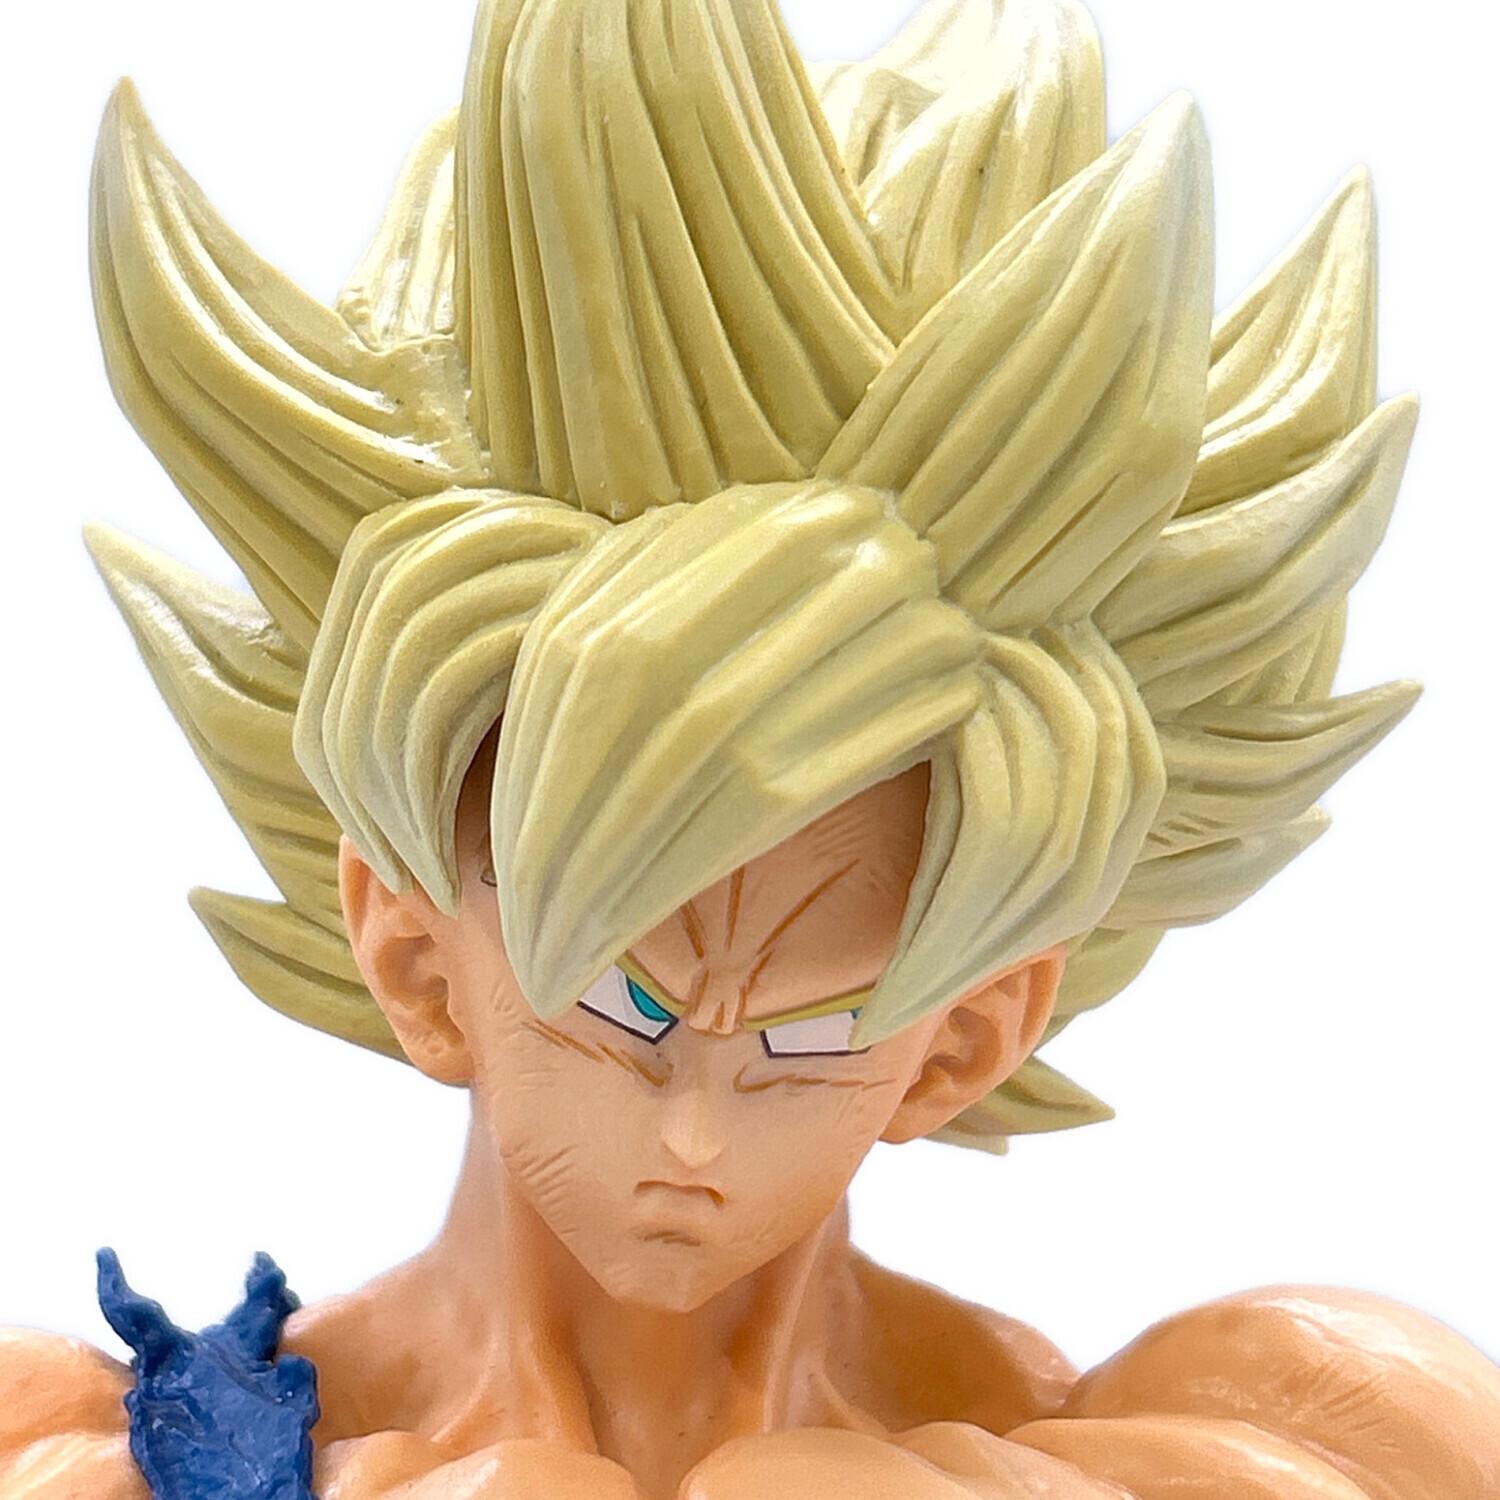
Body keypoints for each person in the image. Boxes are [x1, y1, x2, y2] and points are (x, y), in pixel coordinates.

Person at [4, 0, 1497, 1495]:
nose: (695, 1137)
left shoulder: (1258, 1448)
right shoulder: (90, 1464)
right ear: (413, 957)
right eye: (618, 1006)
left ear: (965, 1041)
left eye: (810, 1037)